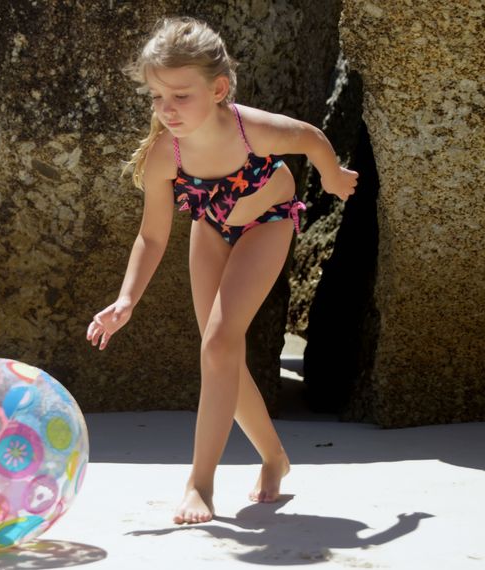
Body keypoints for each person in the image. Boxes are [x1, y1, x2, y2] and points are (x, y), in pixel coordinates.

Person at [85, 17, 357, 525]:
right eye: (157, 97)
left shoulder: (250, 127)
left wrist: (334, 175)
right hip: (211, 227)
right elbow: (152, 235)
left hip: (268, 222)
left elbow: (312, 137)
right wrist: (126, 300)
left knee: (217, 343)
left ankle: (200, 483)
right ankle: (275, 457)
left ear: (218, 89)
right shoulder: (166, 155)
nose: (167, 110)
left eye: (181, 97)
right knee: (220, 354)